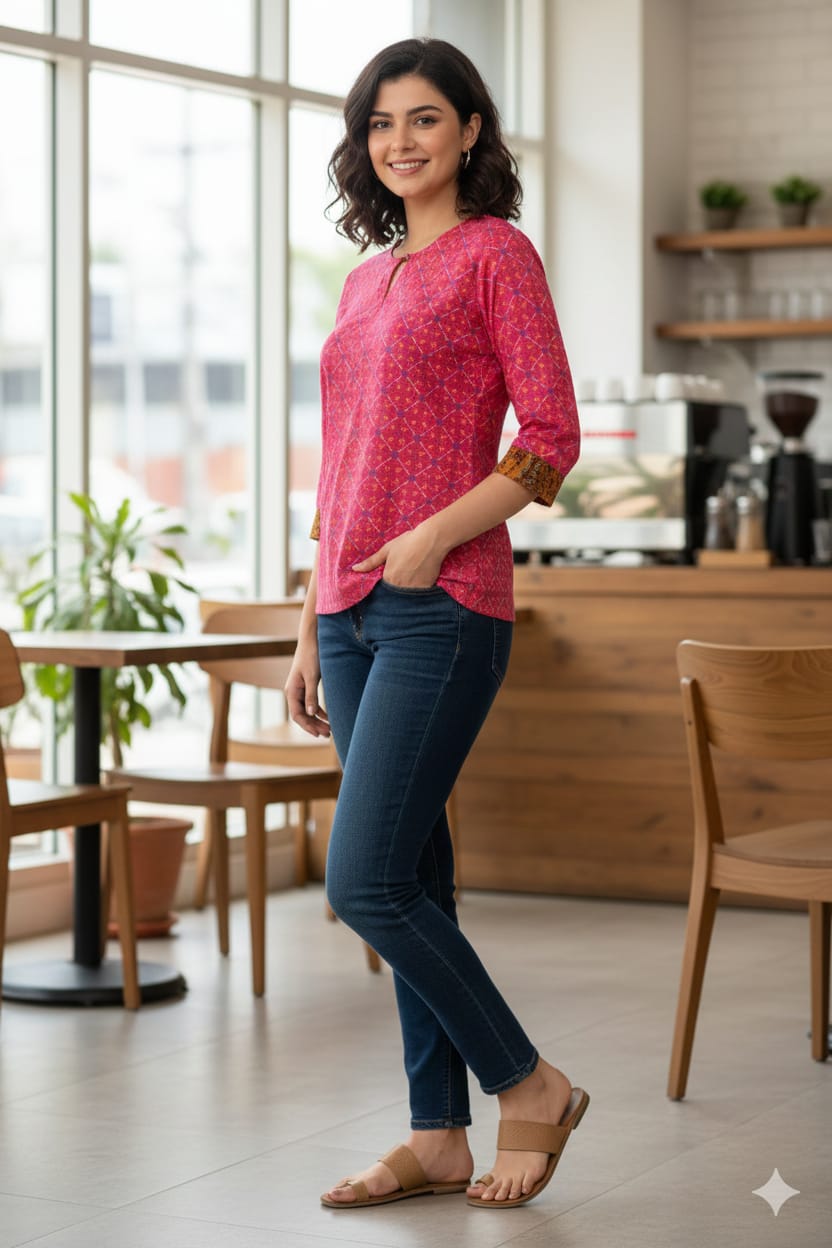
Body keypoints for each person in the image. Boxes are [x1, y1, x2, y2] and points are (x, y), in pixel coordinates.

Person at [285, 37, 584, 1212]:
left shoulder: (497, 256)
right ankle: (437, 1133)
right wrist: (310, 621)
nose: (399, 142)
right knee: (413, 874)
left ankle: (531, 1083)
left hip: (443, 608)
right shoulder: (365, 280)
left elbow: (548, 444)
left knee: (363, 881)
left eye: (423, 119)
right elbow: (338, 469)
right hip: (351, 613)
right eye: (378, 125)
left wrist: (433, 536)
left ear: (469, 129)